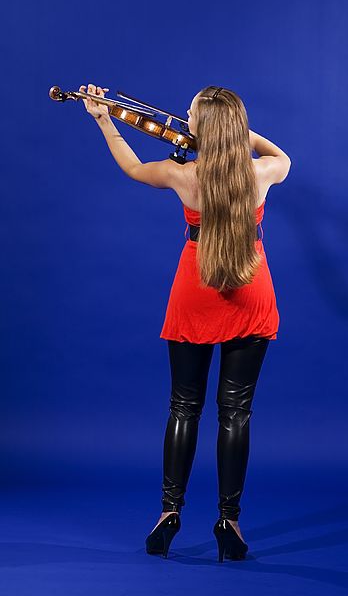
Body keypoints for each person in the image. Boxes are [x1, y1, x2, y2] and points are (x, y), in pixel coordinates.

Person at [80, 83, 291, 561]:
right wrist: (236, 135)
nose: (183, 119)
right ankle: (228, 521)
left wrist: (103, 119)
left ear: (201, 128)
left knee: (183, 407)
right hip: (251, 289)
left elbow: (132, 167)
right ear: (235, 130)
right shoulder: (263, 172)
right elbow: (282, 154)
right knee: (235, 413)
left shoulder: (185, 175)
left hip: (194, 289)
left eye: (191, 114)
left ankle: (168, 514)